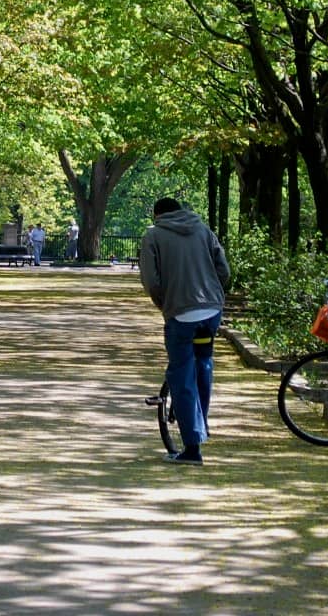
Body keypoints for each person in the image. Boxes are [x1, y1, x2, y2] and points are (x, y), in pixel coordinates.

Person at [139, 197, 229, 465]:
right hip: (211, 312)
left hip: (181, 313)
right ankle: (202, 424)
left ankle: (192, 448)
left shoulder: (153, 235)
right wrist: (215, 295)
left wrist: (164, 302)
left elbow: (151, 280)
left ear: (157, 215)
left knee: (181, 375)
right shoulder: (204, 230)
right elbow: (223, 269)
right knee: (204, 364)